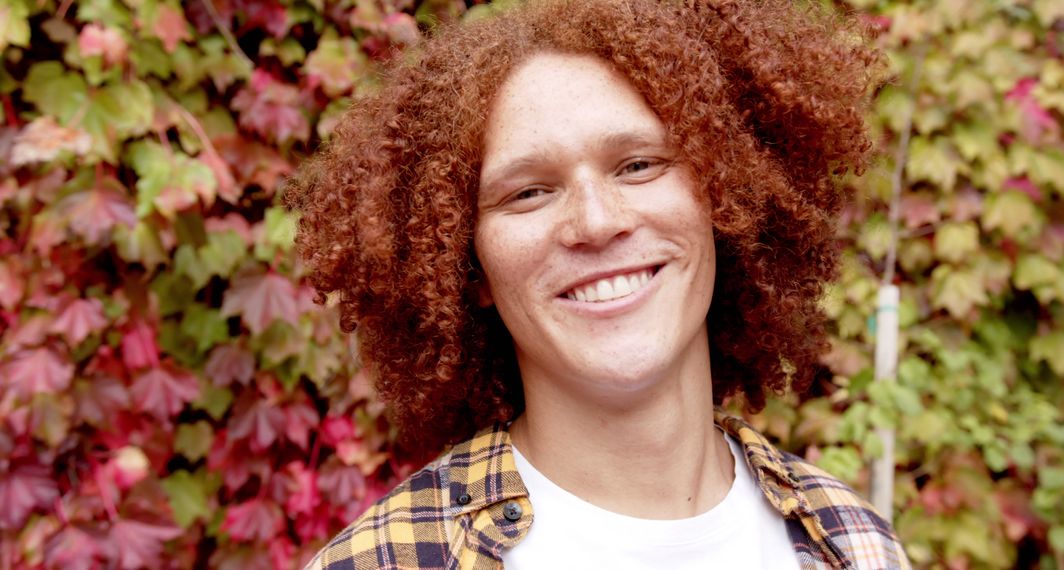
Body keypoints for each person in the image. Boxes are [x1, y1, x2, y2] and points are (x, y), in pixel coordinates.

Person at [287, 0, 909, 568]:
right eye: (528, 192)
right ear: (468, 267)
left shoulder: (854, 542)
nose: (597, 221)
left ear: (726, 194)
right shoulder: (385, 562)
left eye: (639, 165)